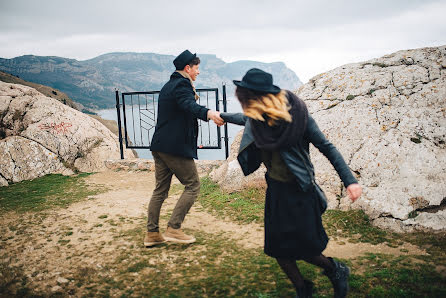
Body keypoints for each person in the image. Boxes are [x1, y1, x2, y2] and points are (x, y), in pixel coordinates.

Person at [220, 68, 362, 298]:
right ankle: (303, 288)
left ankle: (335, 269)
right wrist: (221, 116)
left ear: (258, 97)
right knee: (278, 248)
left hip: (300, 191)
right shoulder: (258, 117)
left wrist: (350, 181)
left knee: (306, 249)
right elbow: (244, 118)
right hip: (276, 191)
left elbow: (327, 147)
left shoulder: (298, 118)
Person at [144, 50, 224, 247]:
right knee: (193, 185)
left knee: (160, 191)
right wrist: (209, 113)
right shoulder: (181, 85)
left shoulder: (168, 85)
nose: (198, 72)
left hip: (160, 145)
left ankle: (152, 234)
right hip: (174, 147)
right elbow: (188, 105)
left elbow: (182, 108)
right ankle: (174, 228)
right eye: (197, 69)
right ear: (188, 68)